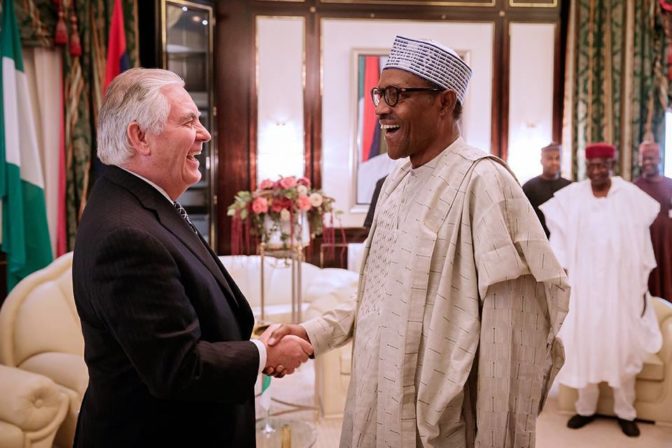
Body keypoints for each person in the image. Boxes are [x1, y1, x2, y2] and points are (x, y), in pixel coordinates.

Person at [266, 35, 569, 447]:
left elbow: (511, 339)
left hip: (441, 424)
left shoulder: (484, 183)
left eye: (397, 94)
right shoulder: (395, 181)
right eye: (379, 94)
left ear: (444, 102)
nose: (381, 108)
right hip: (377, 400)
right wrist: (311, 333)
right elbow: (376, 295)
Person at [72, 68, 313, 447]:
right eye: (188, 122)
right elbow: (177, 367)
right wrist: (264, 354)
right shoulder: (126, 234)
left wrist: (248, 340)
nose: (205, 134)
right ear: (140, 137)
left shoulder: (137, 203)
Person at [540, 142, 662, 437]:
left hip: (620, 289)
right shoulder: (574, 197)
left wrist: (639, 283)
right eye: (592, 166)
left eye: (602, 166)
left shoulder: (628, 195)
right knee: (587, 346)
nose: (596, 171)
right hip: (585, 288)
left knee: (621, 347)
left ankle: (625, 412)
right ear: (587, 167)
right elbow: (558, 239)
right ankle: (585, 408)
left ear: (611, 165)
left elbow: (642, 240)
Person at [635, 140, 672, 302]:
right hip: (644, 242)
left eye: (651, 158)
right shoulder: (635, 187)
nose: (647, 162)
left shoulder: (670, 185)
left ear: (660, 159)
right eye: (644, 159)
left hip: (667, 243)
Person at [522, 142, 572, 237]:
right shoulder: (529, 187)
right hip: (537, 239)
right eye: (550, 158)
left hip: (564, 238)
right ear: (541, 161)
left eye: (557, 158)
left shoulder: (570, 187)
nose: (554, 162)